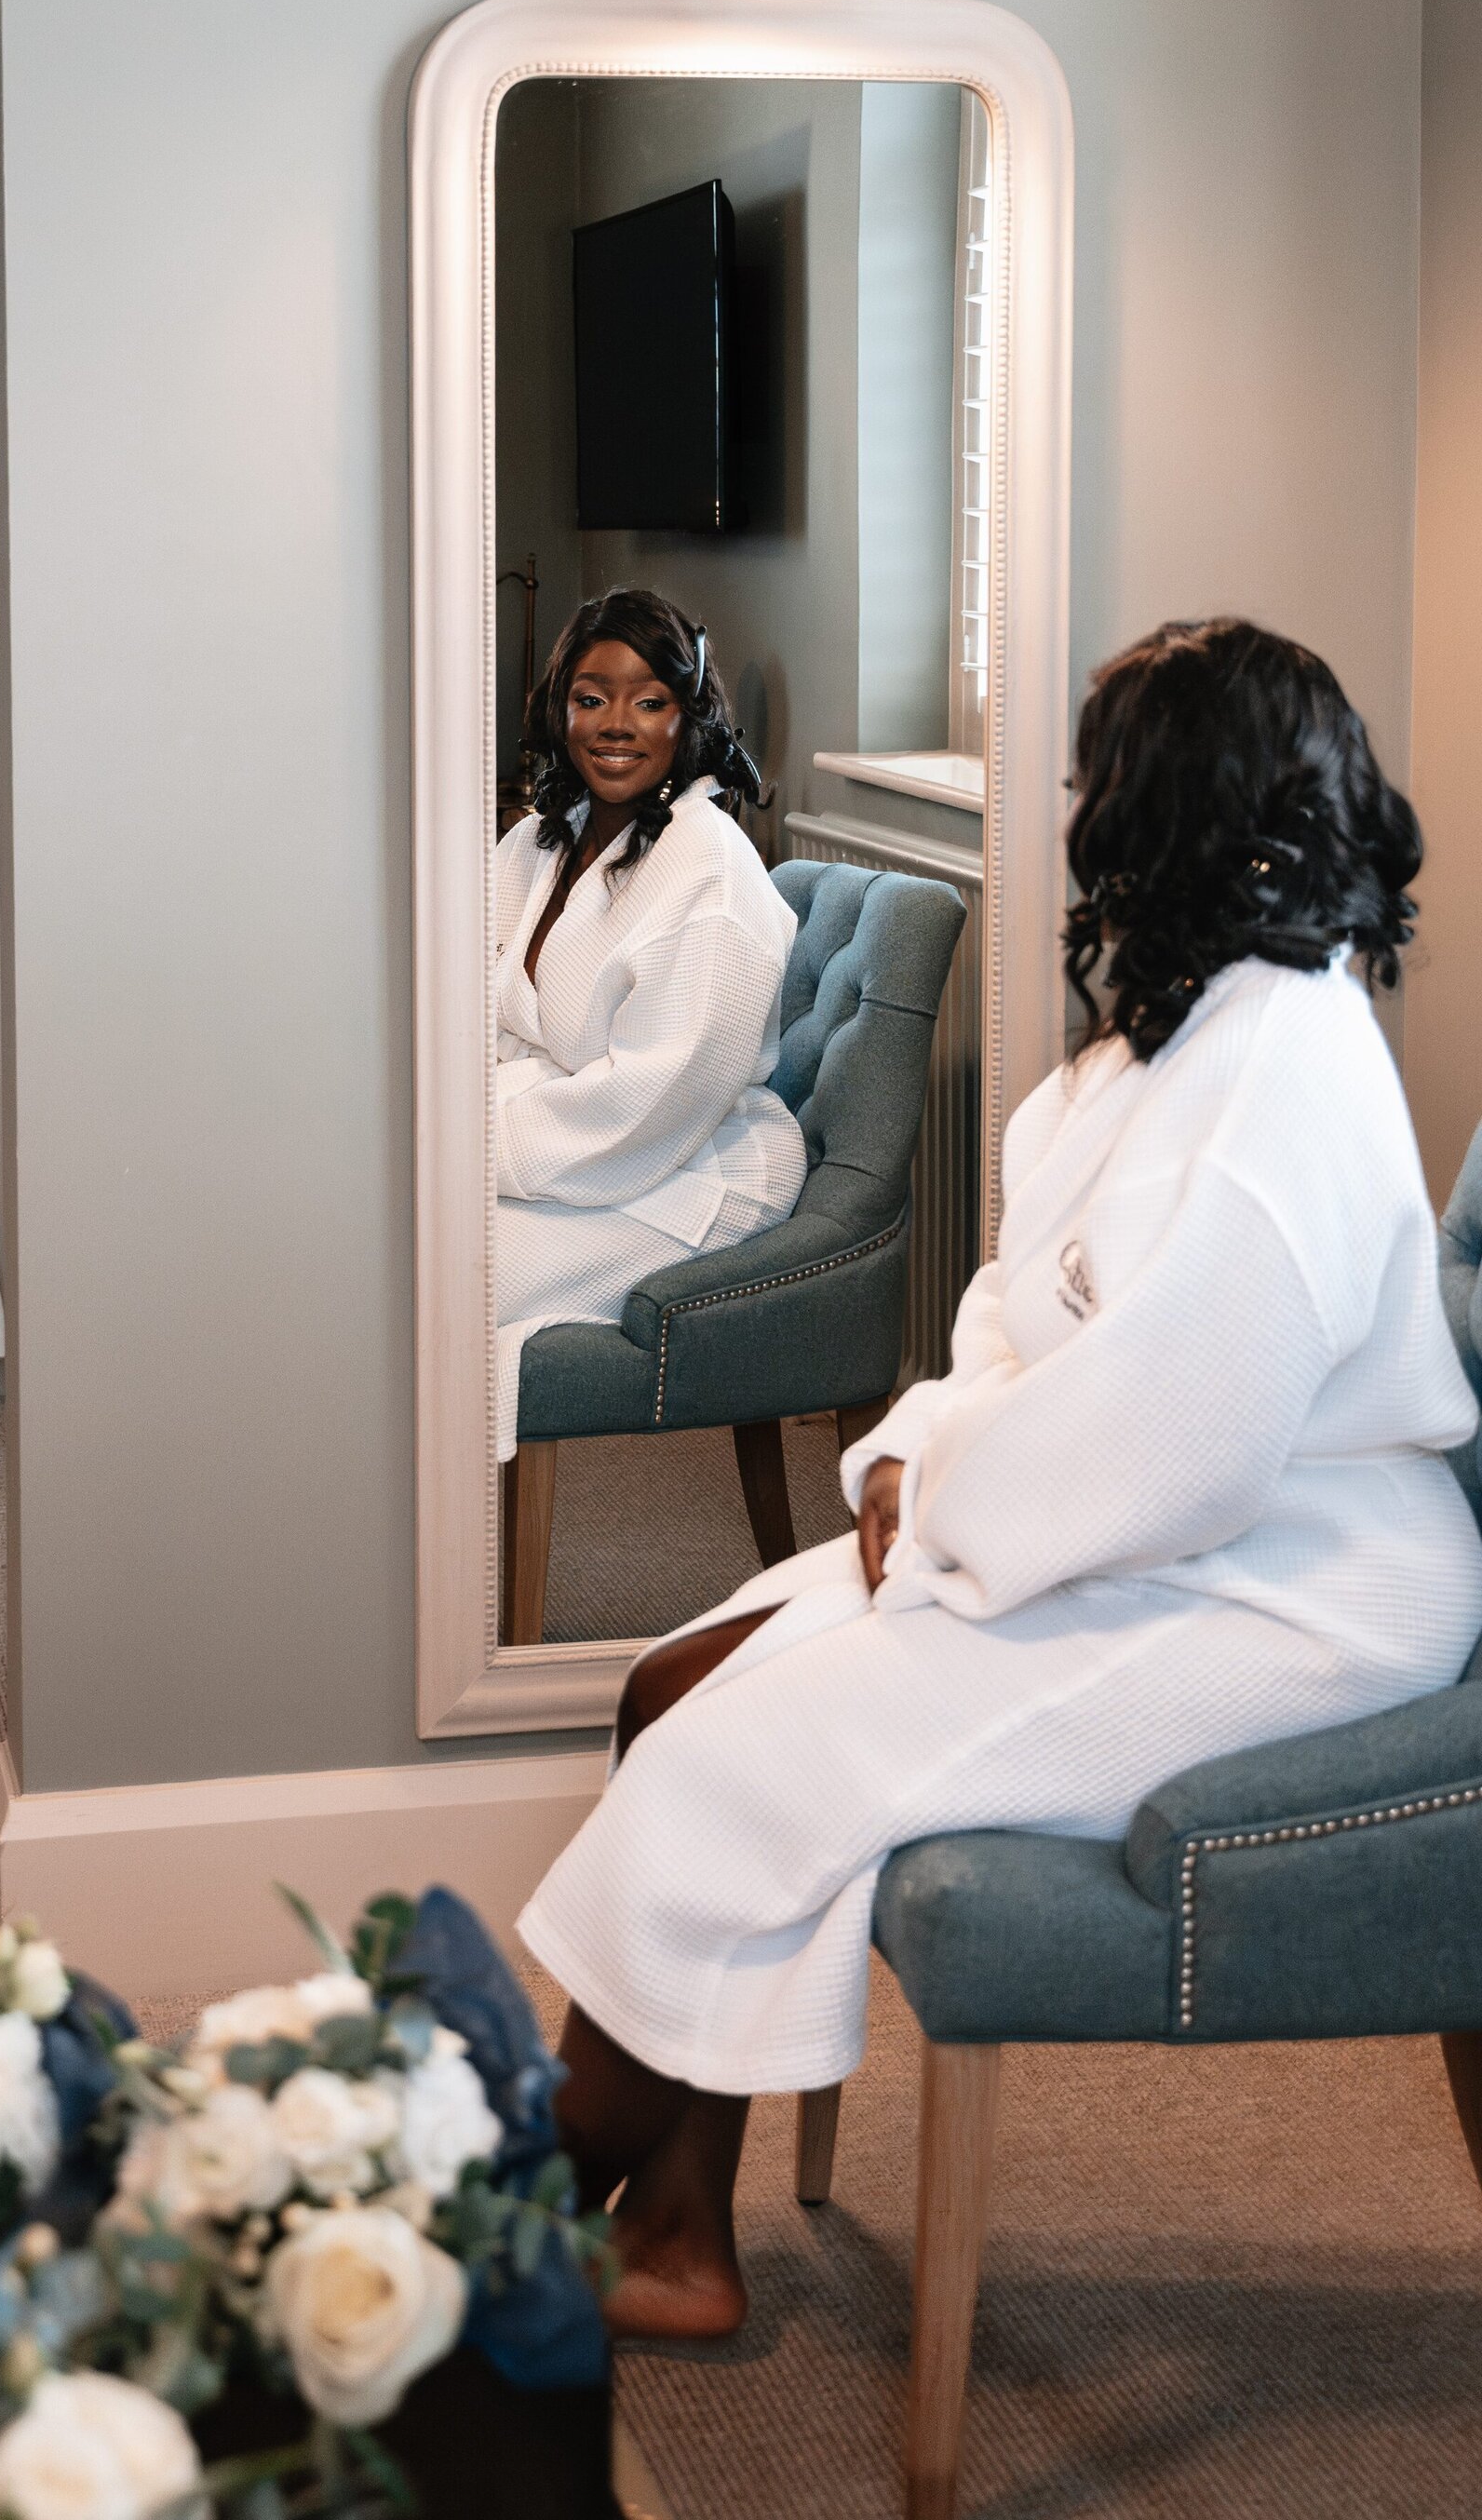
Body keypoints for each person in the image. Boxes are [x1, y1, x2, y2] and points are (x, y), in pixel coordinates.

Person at [519, 617, 1482, 2337]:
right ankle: (673, 2225)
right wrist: (914, 1450)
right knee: (674, 1687)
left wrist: (946, 1494)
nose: (1076, 798)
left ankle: (565, 2158)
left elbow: (1186, 1432)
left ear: (1179, 804)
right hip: (1098, 1516)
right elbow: (1011, 1315)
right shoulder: (1171, 1036)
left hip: (1290, 1580)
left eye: (1103, 769)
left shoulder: (1286, 1069)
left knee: (748, 1750)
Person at [493, 589, 806, 1462]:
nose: (616, 725)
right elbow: (468, 1014)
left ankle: (438, 1566)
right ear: (560, 711)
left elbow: (654, 1100)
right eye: (591, 699)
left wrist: (468, 1143)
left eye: (650, 701)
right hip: (570, 1140)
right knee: (381, 1238)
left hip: (688, 1164)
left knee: (442, 1277)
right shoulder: (538, 845)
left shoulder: (709, 876)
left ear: (689, 716)